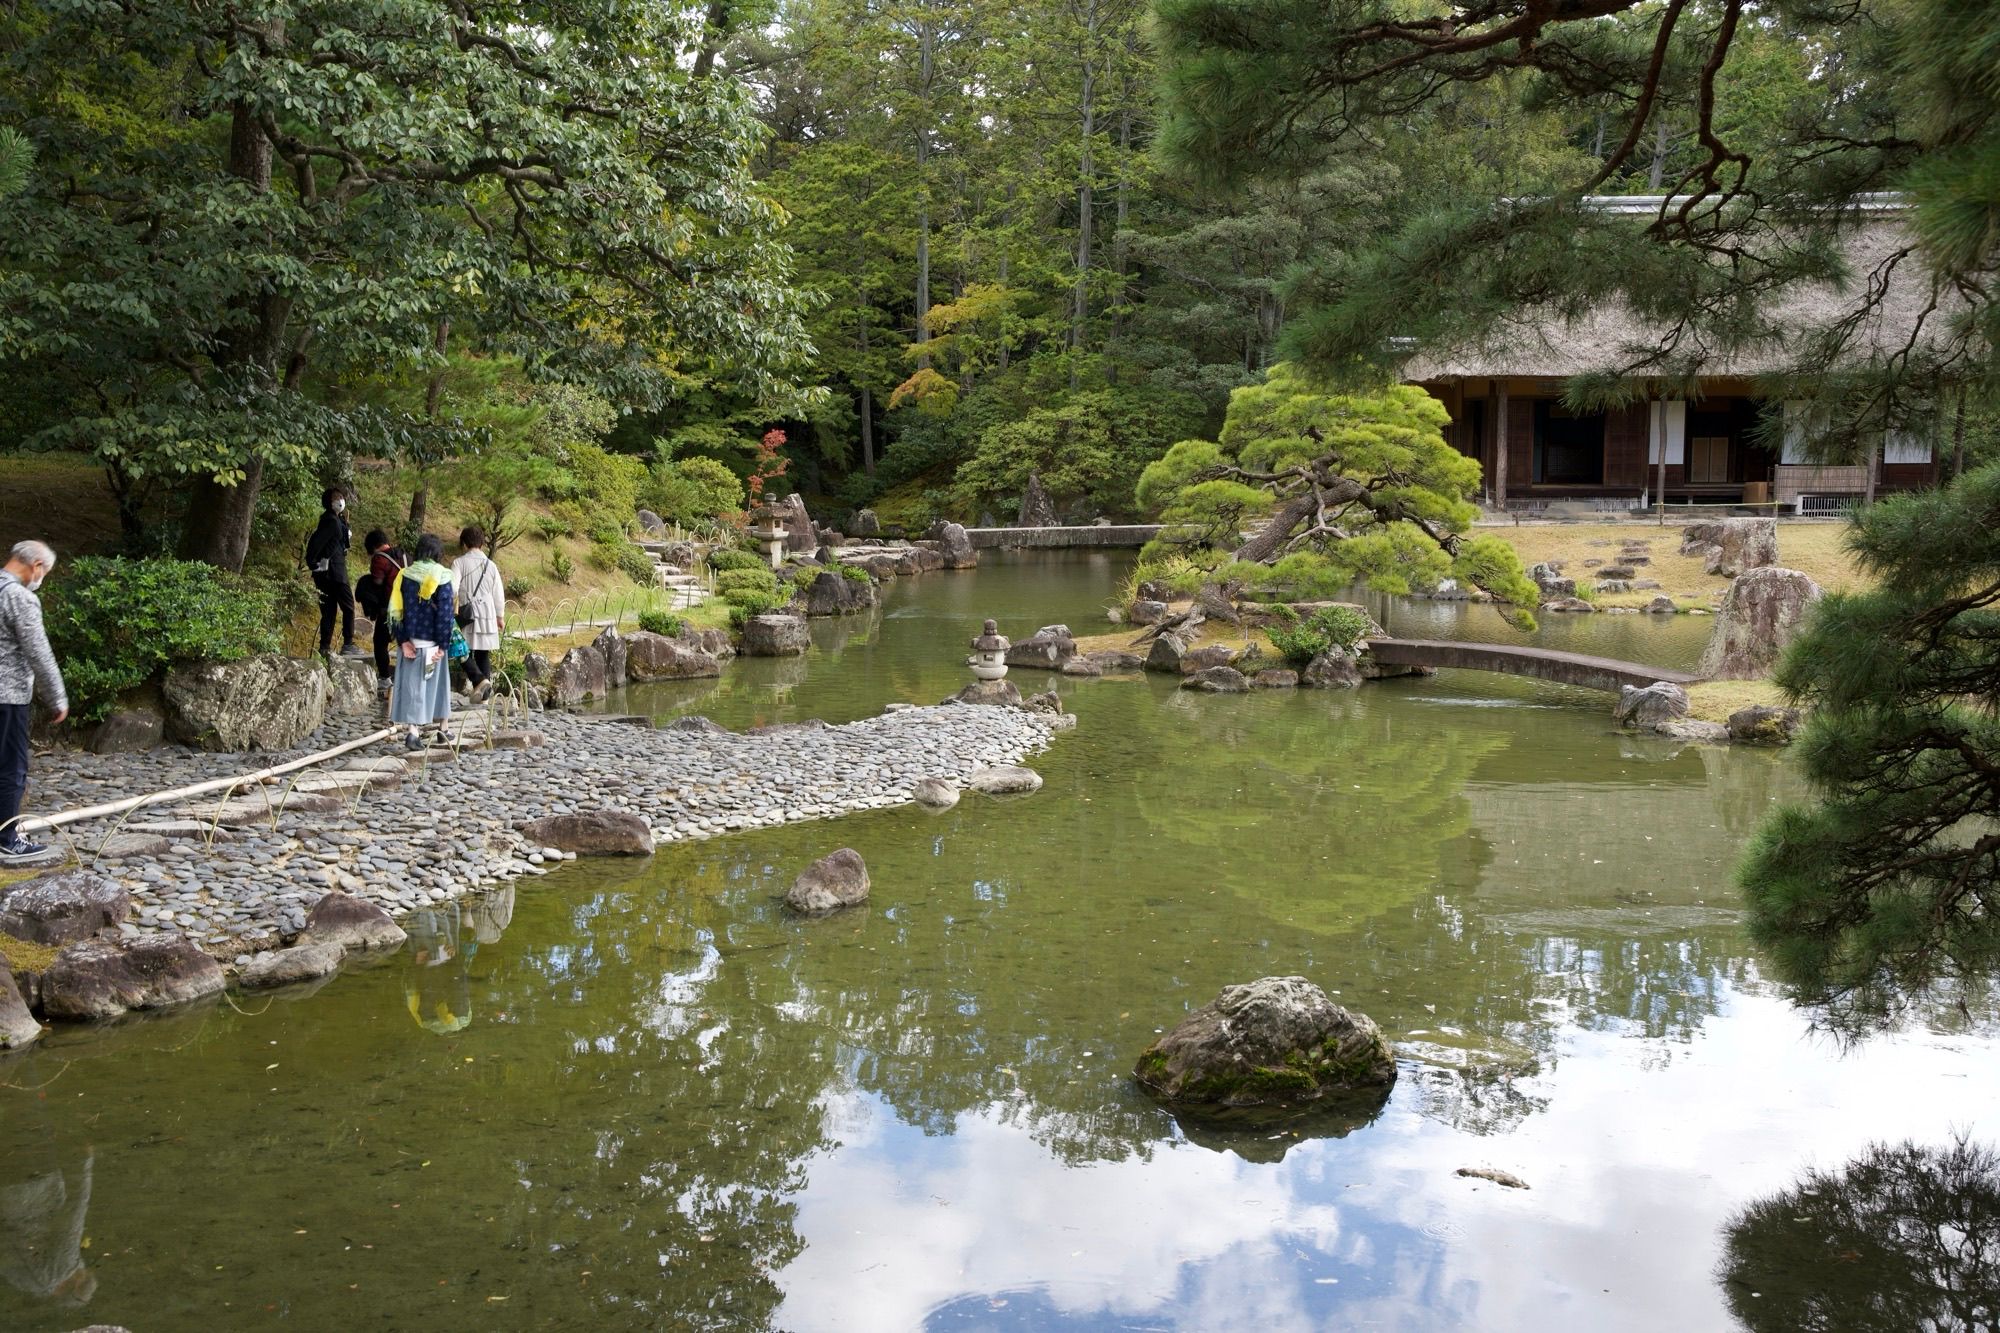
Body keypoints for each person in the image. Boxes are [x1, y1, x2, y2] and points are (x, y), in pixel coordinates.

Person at [0, 540, 66, 866]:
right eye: (45, 573)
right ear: (36, 566)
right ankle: (7, 839)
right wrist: (57, 697)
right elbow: (38, 652)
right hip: (7, 697)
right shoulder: (19, 597)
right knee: (12, 768)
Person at [390, 534, 455, 751]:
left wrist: (402, 641)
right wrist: (443, 645)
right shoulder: (443, 577)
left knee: (413, 687)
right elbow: (445, 615)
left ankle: (413, 732)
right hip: (433, 642)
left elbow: (396, 610)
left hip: (411, 641)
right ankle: (443, 729)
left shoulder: (404, 575)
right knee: (439, 687)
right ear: (437, 554)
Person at [450, 526, 506, 703]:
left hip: (468, 613)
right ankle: (484, 697)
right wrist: (500, 616)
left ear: (464, 543)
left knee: (463, 651)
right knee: (483, 654)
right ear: (482, 543)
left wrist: (450, 607)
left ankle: (479, 683)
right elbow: (498, 593)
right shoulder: (491, 565)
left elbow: (452, 588)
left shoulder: (459, 563)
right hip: (488, 613)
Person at [305, 486, 362, 658]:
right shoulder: (331, 521)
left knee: (328, 610)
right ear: (329, 502)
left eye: (341, 497)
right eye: (337, 498)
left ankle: (325, 647)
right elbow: (317, 544)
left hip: (325, 573)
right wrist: (314, 562)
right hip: (334, 572)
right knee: (349, 606)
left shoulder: (334, 520)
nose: (341, 501)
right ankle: (348, 643)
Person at [356, 529, 406, 696]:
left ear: (372, 546)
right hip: (409, 607)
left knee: (380, 642)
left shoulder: (379, 559)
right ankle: (406, 680)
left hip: (390, 608)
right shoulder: (404, 555)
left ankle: (385, 678)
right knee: (405, 644)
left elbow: (377, 582)